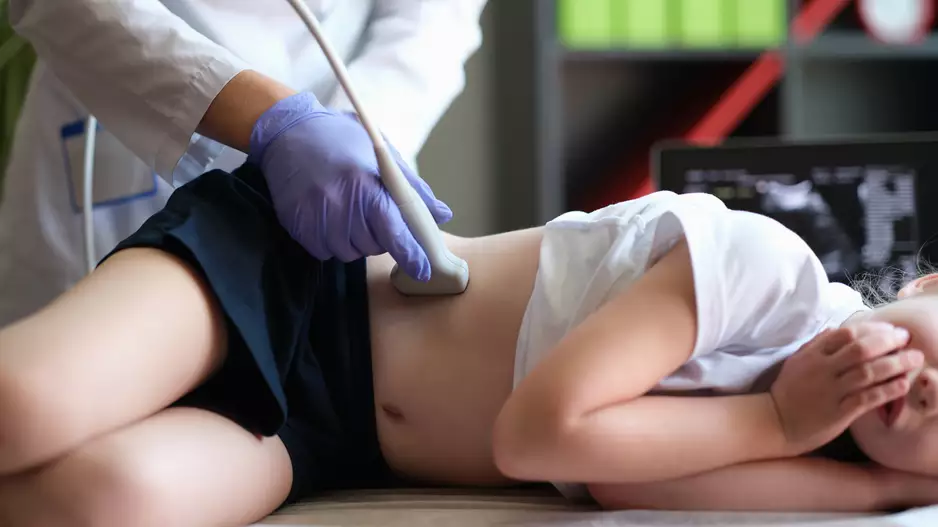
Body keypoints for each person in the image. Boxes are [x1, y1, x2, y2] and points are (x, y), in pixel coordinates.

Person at [3, 162, 938, 527]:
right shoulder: (769, 275)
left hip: (323, 437)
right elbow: (540, 436)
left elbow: (631, 483)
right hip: (299, 277)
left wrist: (881, 488)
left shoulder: (821, 450)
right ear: (926, 287)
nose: (934, 390)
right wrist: (779, 421)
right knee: (25, 408)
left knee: (105, 504)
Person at [0, 0, 488, 327]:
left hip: (346, 128)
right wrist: (274, 119)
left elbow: (433, 18)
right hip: (126, 116)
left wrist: (357, 135)